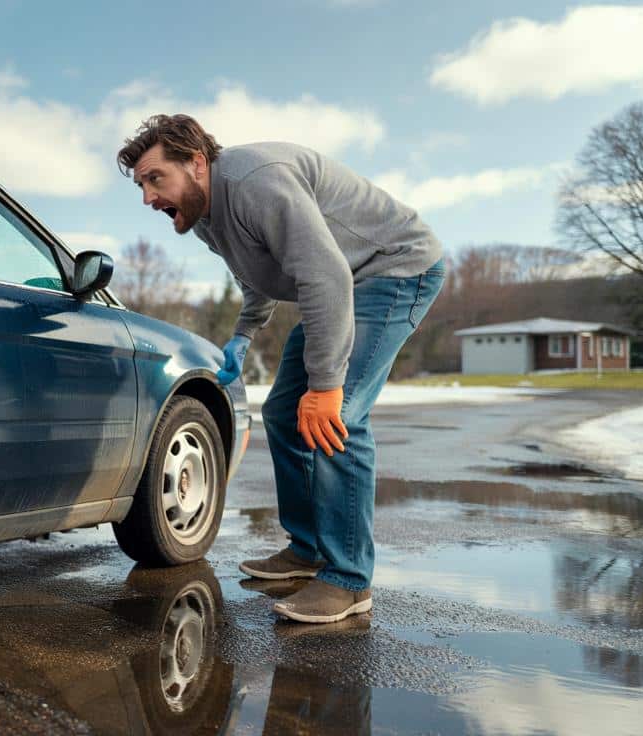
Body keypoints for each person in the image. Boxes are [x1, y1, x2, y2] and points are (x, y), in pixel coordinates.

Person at [117, 114, 444, 623]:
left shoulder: (255, 181)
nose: (148, 198)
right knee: (284, 413)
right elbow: (259, 280)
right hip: (343, 284)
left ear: (197, 164)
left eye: (156, 179)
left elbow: (325, 274)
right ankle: (308, 547)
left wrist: (328, 385)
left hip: (393, 270)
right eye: (141, 185)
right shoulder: (209, 217)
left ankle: (348, 580)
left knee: (337, 417)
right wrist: (243, 337)